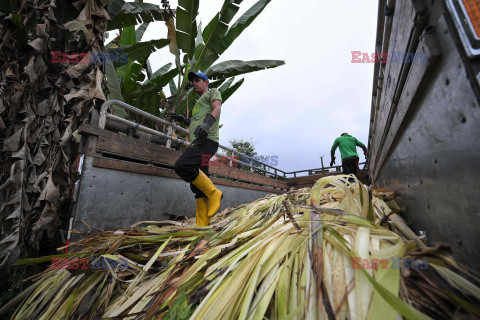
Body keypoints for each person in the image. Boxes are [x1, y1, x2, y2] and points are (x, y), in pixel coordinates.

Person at [171, 72, 223, 227]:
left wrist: (207, 124)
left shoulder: (212, 92)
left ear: (206, 82)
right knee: (199, 188)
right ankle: (202, 225)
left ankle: (215, 193)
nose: (194, 83)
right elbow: (195, 122)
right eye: (192, 81)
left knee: (182, 165)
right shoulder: (197, 103)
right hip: (199, 140)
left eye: (197, 80)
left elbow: (217, 108)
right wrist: (184, 119)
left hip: (206, 141)